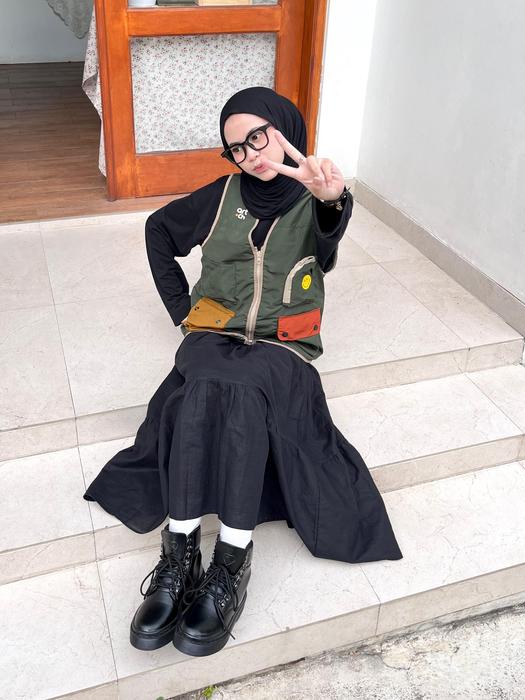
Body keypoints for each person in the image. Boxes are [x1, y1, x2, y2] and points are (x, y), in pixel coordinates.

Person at [83, 86, 403, 659]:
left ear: (286, 130)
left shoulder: (318, 197)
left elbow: (327, 240)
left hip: (284, 344)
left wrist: (332, 200)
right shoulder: (220, 196)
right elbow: (158, 231)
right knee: (206, 386)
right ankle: (180, 555)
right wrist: (182, 311)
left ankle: (231, 561)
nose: (251, 154)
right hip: (215, 332)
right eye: (237, 147)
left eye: (259, 137)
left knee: (246, 392)